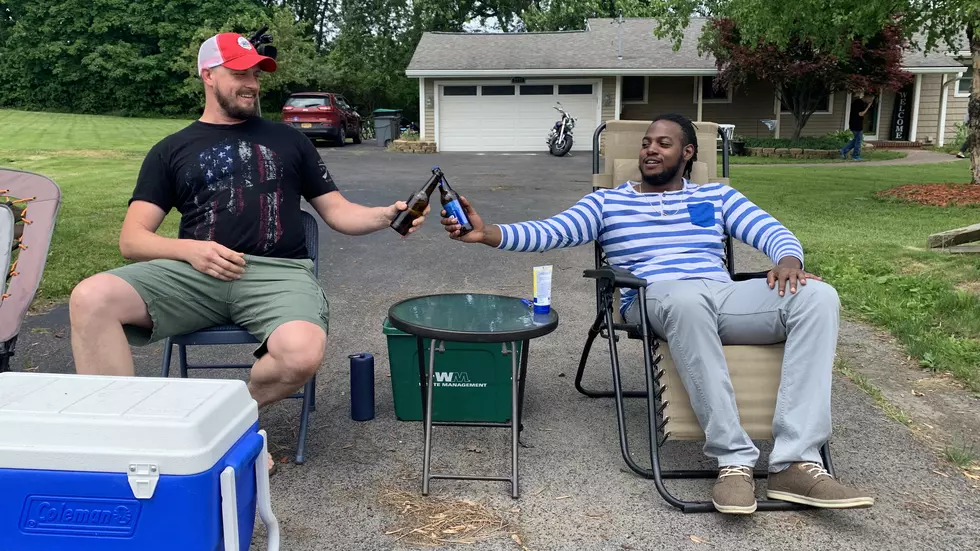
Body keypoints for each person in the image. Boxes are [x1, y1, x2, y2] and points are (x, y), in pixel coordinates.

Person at [441, 113, 874, 515]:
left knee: (818, 297)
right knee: (684, 299)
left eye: (663, 143)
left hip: (721, 296)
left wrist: (789, 263)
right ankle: (733, 461)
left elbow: (774, 233)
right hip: (653, 297)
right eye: (646, 143)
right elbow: (549, 231)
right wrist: (487, 233)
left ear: (687, 153)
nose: (650, 149)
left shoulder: (716, 195)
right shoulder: (607, 203)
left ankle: (795, 462)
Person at [69, 34, 428, 432]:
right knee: (91, 297)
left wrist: (386, 215)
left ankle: (225, 424)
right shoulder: (170, 150)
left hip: (278, 275)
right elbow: (132, 240)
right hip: (194, 274)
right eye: (239, 72)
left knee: (301, 353)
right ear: (207, 75)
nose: (252, 83)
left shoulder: (290, 140)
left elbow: (338, 212)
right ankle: (120, 437)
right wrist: (189, 250)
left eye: (256, 73)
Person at [841, 93, 873, 161]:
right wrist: (868, 107)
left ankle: (843, 150)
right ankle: (855, 156)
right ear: (866, 97)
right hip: (856, 124)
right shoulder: (859, 103)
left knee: (856, 140)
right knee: (858, 141)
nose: (870, 101)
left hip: (854, 123)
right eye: (870, 99)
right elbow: (861, 114)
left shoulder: (858, 102)